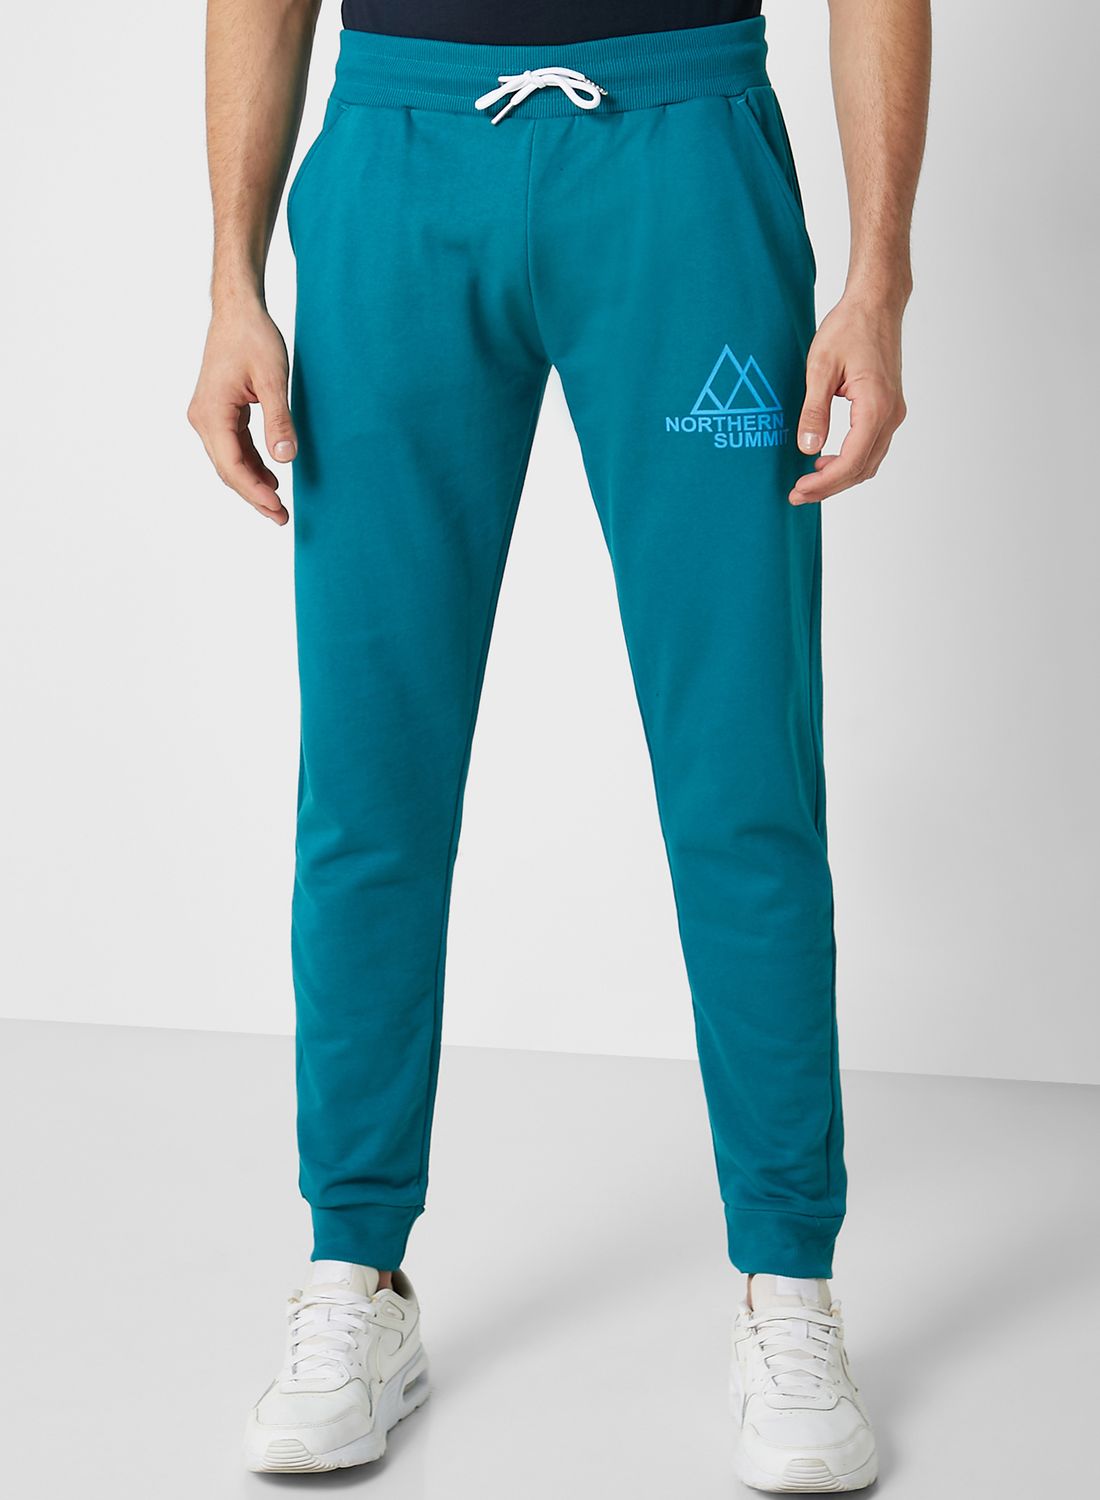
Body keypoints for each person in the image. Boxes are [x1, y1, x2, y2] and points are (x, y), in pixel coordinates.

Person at [188, 0, 929, 1488]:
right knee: (372, 774)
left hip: (685, 151)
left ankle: (790, 1284)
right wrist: (231, 281)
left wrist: (878, 279)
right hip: (397, 159)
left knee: (743, 771)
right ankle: (354, 1271)